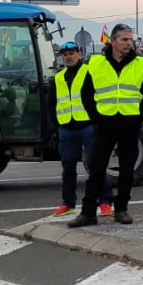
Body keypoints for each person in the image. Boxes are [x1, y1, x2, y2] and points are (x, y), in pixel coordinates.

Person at [68, 23, 143, 228]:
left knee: (127, 170)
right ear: (113, 41)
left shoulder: (139, 64)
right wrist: (95, 118)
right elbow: (86, 93)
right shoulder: (97, 63)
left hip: (129, 124)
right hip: (104, 125)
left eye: (130, 40)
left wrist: (139, 118)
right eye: (124, 39)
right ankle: (88, 212)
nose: (128, 43)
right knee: (96, 169)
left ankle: (122, 209)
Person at [51, 42, 98, 217]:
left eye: (71, 53)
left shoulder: (88, 73)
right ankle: (68, 203)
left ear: (79, 54)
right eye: (65, 54)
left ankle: (106, 201)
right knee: (68, 168)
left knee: (95, 165)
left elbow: (96, 99)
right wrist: (57, 125)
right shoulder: (58, 77)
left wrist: (95, 123)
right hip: (67, 129)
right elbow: (52, 103)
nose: (68, 57)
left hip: (87, 126)